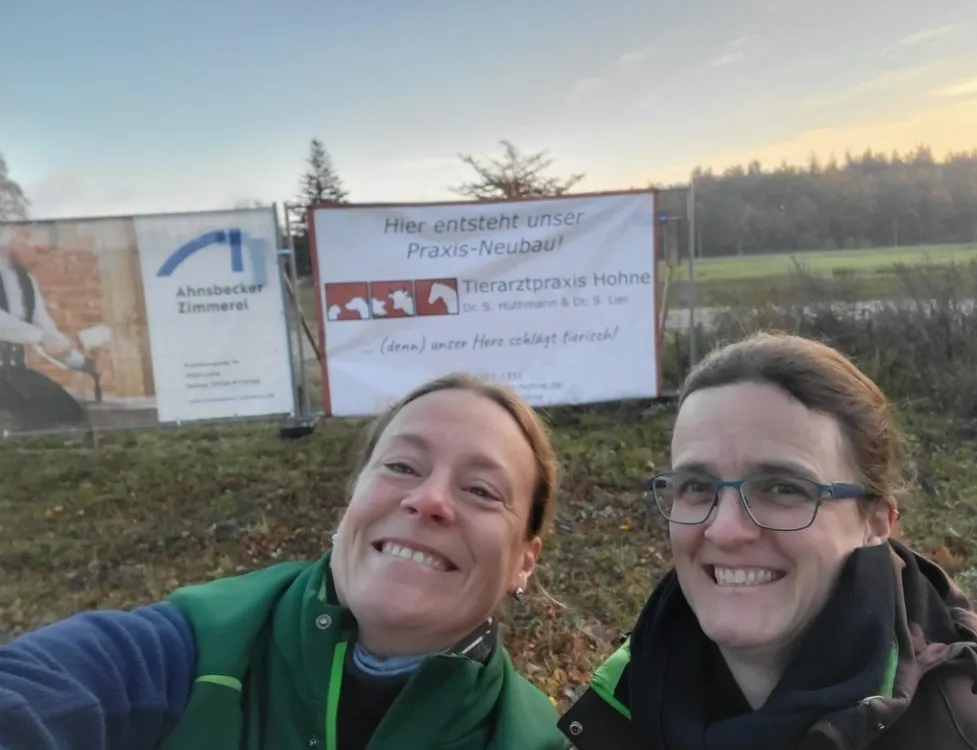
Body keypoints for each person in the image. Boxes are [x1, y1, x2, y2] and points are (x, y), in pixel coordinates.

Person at [0, 373, 568, 750]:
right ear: (352, 503)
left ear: (525, 560)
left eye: (481, 490)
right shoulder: (194, 651)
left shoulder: (534, 741)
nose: (429, 500)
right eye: (401, 467)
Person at [559, 332, 977, 750]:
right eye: (696, 487)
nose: (725, 530)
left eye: (783, 488)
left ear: (877, 520)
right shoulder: (611, 713)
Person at [0, 224, 90, 431]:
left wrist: (80, 361)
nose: (39, 251)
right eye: (27, 238)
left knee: (68, 414)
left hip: (15, 372)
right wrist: (40, 337)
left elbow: (45, 327)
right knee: (15, 422)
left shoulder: (27, 281)